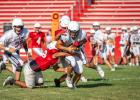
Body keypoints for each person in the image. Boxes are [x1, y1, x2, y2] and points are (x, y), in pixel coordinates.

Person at [3, 41, 74, 88]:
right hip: (31, 68)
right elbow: (63, 53)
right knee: (29, 86)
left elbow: (56, 68)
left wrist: (64, 69)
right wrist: (73, 52)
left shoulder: (53, 53)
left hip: (36, 68)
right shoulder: (53, 53)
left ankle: (30, 81)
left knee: (40, 83)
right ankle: (12, 80)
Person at [0, 18, 30, 82]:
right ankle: (16, 81)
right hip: (9, 52)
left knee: (15, 70)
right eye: (17, 27)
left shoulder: (25, 31)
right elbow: (0, 45)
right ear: (13, 27)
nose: (19, 29)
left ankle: (4, 67)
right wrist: (8, 49)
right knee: (20, 64)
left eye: (20, 27)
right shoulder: (8, 34)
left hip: (16, 51)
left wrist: (27, 51)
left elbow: (24, 42)